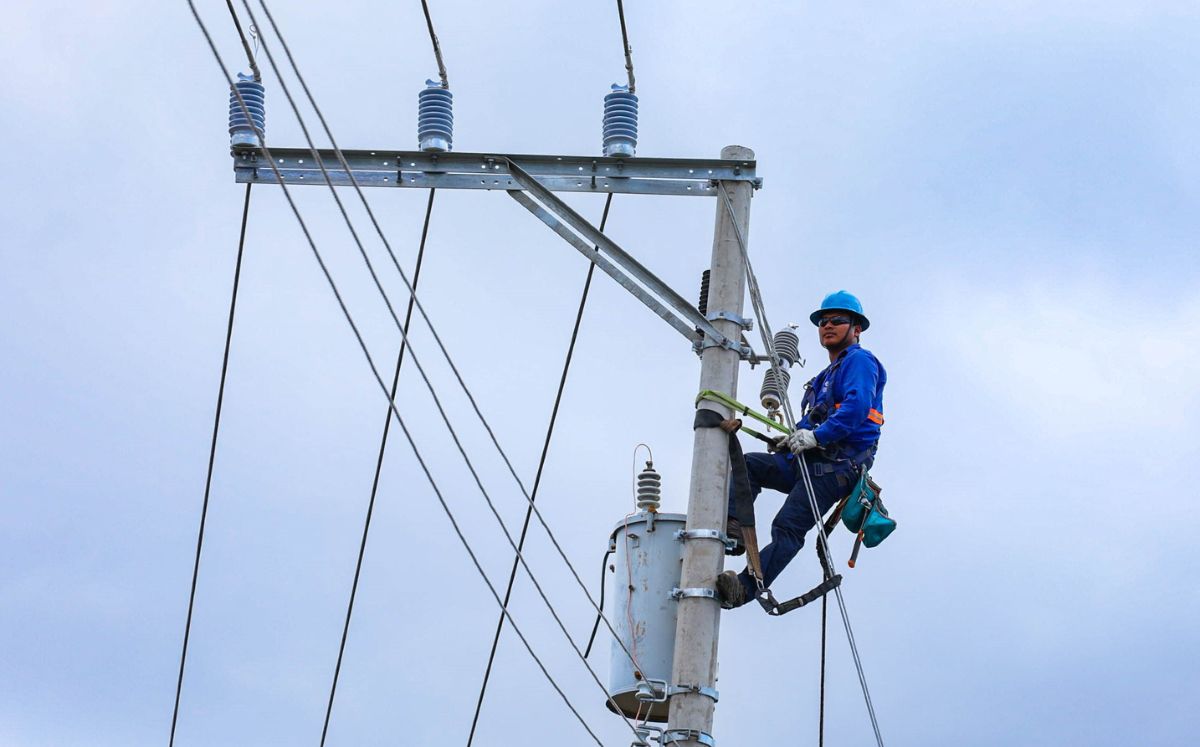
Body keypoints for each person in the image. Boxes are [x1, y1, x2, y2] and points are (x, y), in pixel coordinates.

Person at [716, 290, 887, 608]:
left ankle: (744, 588)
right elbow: (815, 419)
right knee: (749, 465)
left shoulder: (860, 361)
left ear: (856, 328)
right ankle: (735, 529)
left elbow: (857, 407)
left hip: (835, 468)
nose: (828, 326)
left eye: (838, 320)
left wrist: (817, 438)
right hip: (806, 460)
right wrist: (793, 439)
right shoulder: (824, 377)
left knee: (788, 527)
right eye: (823, 321)